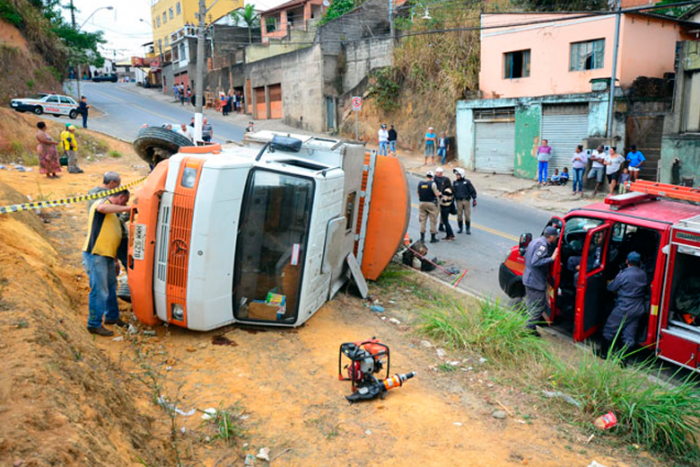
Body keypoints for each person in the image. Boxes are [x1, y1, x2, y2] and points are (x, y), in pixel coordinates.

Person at [83, 189, 132, 336]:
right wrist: (129, 208)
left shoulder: (114, 215)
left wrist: (115, 260)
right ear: (121, 197)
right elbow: (102, 208)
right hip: (96, 255)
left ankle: (112, 316)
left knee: (111, 287)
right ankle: (94, 324)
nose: (125, 204)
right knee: (99, 291)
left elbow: (112, 237)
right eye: (125, 201)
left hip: (108, 257)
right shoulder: (102, 203)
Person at [599, 252, 648, 359]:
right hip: (638, 308)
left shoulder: (624, 274)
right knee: (629, 335)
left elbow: (611, 288)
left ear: (627, 261)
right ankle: (623, 360)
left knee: (609, 329)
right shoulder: (643, 274)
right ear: (639, 262)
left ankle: (603, 353)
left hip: (624, 307)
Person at [522, 226, 560, 335]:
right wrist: (551, 259)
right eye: (556, 237)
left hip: (528, 278)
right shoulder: (543, 246)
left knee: (531, 303)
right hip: (535, 281)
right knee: (538, 306)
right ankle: (529, 328)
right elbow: (535, 262)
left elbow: (526, 256)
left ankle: (528, 324)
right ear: (552, 237)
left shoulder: (536, 241)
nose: (556, 239)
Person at [417, 171, 441, 244]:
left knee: (422, 221)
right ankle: (433, 238)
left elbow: (418, 193)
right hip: (431, 204)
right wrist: (440, 194)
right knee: (433, 220)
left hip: (422, 203)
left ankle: (422, 238)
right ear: (432, 177)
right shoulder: (432, 184)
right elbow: (436, 194)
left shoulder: (420, 183)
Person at [452, 168, 477, 235]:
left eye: (458, 175)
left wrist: (474, 199)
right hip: (458, 201)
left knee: (467, 215)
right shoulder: (455, 183)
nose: (457, 176)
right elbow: (453, 192)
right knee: (459, 215)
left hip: (466, 201)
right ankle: (460, 228)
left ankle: (467, 229)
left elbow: (472, 191)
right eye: (456, 175)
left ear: (462, 175)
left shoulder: (467, 182)